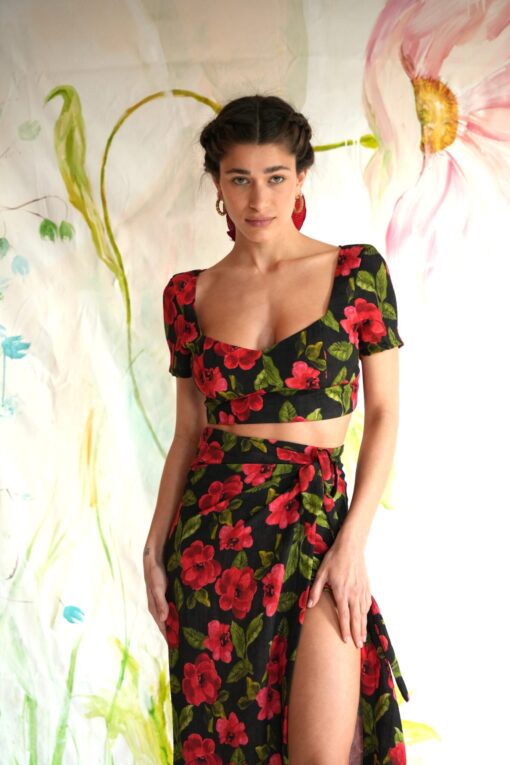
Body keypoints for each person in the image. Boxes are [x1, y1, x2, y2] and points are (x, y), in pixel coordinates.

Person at [143, 94, 409, 765]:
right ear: (217, 184)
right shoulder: (186, 295)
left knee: (323, 753)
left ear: (301, 177)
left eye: (275, 177)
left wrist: (352, 544)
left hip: (319, 530)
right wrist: (153, 545)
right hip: (211, 541)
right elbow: (188, 431)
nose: (258, 199)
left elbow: (384, 415)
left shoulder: (358, 273)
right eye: (240, 178)